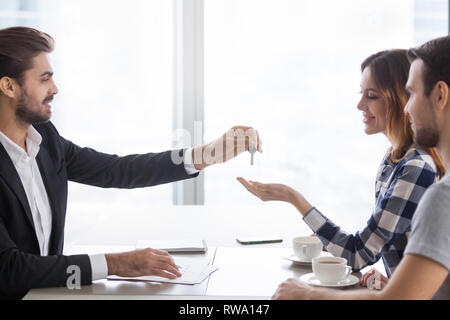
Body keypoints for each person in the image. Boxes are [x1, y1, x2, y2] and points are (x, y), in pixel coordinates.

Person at [0, 26, 262, 300]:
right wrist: (117, 264)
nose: (55, 88)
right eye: (44, 79)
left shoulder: (45, 140)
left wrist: (208, 154)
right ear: (9, 86)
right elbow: (9, 269)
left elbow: (116, 171)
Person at [238, 49, 444, 280]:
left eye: (372, 96)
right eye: (361, 93)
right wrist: (391, 284)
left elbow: (357, 254)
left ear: (400, 99)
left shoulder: (415, 168)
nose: (360, 104)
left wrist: (293, 198)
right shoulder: (393, 159)